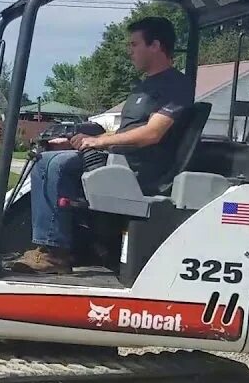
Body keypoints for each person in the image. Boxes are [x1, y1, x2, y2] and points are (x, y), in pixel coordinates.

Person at [10, 16, 196, 274]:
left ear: (155, 45)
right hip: (122, 160)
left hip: (142, 169)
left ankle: (56, 253)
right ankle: (50, 245)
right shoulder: (145, 86)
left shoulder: (175, 85)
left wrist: (99, 141)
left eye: (134, 44)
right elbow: (127, 131)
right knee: (45, 159)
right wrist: (81, 139)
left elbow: (152, 134)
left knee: (59, 166)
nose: (129, 51)